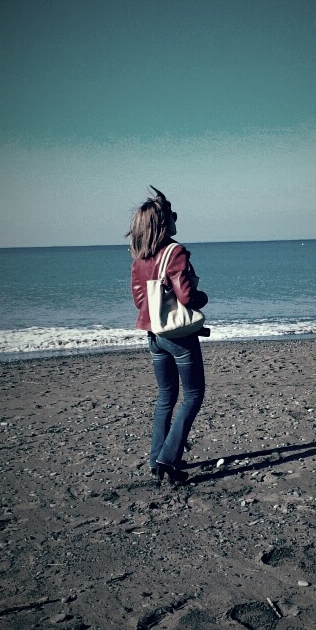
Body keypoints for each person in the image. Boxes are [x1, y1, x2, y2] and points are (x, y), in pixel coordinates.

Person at [128, 187, 209, 485]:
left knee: (166, 397)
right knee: (194, 395)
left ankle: (156, 460)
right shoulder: (175, 253)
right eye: (172, 214)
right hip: (178, 337)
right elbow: (186, 297)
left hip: (153, 335)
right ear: (163, 222)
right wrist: (203, 297)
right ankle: (168, 459)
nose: (176, 218)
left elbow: (140, 301)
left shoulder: (139, 258)